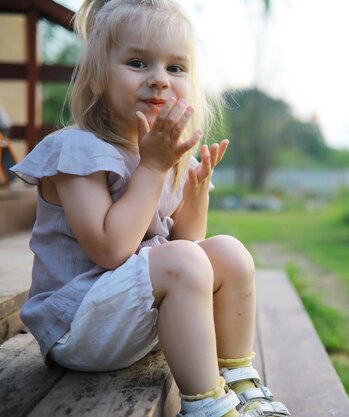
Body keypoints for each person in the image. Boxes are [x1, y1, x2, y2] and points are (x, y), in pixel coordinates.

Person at [10, 1, 290, 416]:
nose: (159, 80)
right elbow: (110, 250)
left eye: (175, 68)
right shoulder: (78, 150)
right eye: (138, 62)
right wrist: (154, 167)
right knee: (183, 260)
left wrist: (195, 197)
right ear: (99, 77)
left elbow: (187, 248)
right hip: (77, 327)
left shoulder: (169, 155)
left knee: (228, 251)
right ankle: (208, 406)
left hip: (133, 320)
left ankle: (239, 379)